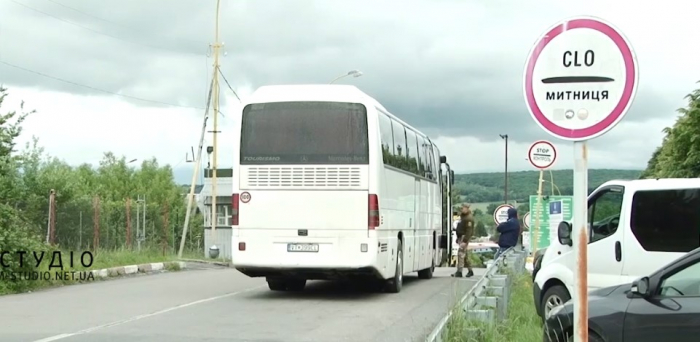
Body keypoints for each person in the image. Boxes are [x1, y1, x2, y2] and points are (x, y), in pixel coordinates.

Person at [452, 204, 475, 278]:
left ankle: (459, 271)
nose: (462, 209)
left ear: (467, 208)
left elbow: (469, 231)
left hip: (464, 237)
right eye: (461, 208)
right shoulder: (463, 216)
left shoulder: (469, 218)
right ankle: (470, 271)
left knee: (461, 254)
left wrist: (464, 241)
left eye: (464, 208)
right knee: (465, 255)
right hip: (461, 237)